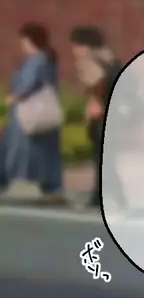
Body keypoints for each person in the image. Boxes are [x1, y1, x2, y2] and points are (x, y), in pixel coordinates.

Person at [0, 23, 66, 204]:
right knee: (46, 151)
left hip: (29, 114)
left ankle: (11, 180)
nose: (22, 45)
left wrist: (15, 97)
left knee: (18, 148)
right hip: (40, 115)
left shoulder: (38, 60)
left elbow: (29, 84)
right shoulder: (46, 59)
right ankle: (52, 187)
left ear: (31, 41)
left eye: (24, 41)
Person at [69, 25, 126, 210]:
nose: (75, 51)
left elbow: (97, 88)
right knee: (104, 159)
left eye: (76, 46)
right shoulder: (111, 61)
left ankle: (117, 198)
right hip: (111, 116)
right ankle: (101, 196)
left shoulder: (96, 63)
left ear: (86, 46)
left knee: (103, 159)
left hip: (102, 117)